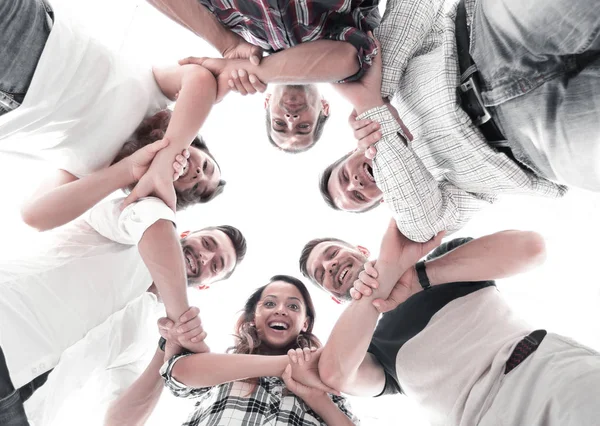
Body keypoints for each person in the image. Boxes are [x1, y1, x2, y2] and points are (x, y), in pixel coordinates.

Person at [320, 0, 600, 242]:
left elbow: (418, 5)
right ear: (382, 200)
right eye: (357, 196)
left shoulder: (384, 78)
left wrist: (379, 89)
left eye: (345, 176)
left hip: (490, 36)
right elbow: (424, 224)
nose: (354, 183)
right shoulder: (430, 198)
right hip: (535, 143)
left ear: (351, 152)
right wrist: (371, 108)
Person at [316, 220, 600, 425]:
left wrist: (419, 277)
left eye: (331, 254)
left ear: (361, 249)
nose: (329, 265)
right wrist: (376, 289)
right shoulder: (372, 352)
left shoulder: (444, 261)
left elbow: (532, 248)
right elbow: (335, 375)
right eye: (320, 273)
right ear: (334, 298)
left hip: (544, 374)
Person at [0, 194, 247, 425]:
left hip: (21, 411)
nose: (205, 256)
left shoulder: (152, 335)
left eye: (215, 265)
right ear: (183, 232)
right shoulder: (124, 234)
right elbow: (150, 212)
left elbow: (119, 420)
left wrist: (168, 353)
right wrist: (181, 316)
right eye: (207, 243)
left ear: (205, 286)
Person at [0, 0, 226, 220]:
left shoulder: (100, 172)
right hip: (32, 33)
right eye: (206, 166)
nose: (198, 174)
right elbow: (200, 77)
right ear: (196, 145)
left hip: (10, 108)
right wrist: (168, 154)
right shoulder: (157, 96)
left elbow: (34, 215)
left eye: (197, 188)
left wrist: (129, 171)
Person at [109, 275, 359, 425]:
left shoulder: (323, 383)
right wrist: (291, 366)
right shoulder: (225, 366)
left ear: (304, 324)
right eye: (270, 303)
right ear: (252, 319)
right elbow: (179, 373)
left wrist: (315, 398)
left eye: (293, 306)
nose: (280, 310)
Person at [148, 0, 380, 151]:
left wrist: (226, 44)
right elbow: (352, 54)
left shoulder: (232, 29)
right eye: (303, 127)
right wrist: (241, 65)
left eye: (279, 124)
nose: (291, 119)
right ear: (324, 107)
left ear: (267, 103)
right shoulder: (341, 49)